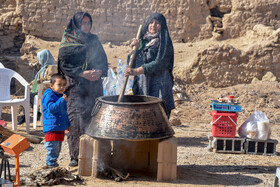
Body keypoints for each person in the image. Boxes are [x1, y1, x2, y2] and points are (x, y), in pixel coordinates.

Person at [58, 12, 108, 167]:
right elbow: (64, 64)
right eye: (83, 23)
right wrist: (82, 73)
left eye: (88, 23)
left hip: (94, 84)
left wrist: (99, 71)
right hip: (76, 84)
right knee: (77, 119)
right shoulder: (68, 41)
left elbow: (102, 59)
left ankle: (94, 154)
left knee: (94, 116)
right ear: (76, 24)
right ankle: (76, 155)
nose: (86, 26)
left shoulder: (94, 39)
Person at [124, 13, 175, 118]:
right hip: (144, 83)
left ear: (162, 25)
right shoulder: (142, 41)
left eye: (157, 23)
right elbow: (132, 62)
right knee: (143, 113)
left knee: (158, 113)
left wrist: (137, 71)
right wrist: (135, 49)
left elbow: (159, 63)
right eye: (151, 22)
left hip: (159, 83)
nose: (153, 25)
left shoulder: (165, 42)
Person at [18, 49, 57, 124]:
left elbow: (51, 79)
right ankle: (30, 115)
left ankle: (28, 116)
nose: (39, 61)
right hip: (41, 89)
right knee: (27, 96)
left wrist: (41, 81)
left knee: (29, 96)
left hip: (46, 90)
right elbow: (39, 79)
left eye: (40, 59)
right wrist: (32, 83)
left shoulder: (52, 67)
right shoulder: (44, 68)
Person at [42, 73, 70, 167]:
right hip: (52, 128)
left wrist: (67, 124)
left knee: (57, 149)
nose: (62, 87)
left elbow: (64, 113)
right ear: (52, 85)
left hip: (59, 128)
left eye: (64, 84)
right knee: (52, 149)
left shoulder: (60, 96)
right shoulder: (49, 95)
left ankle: (53, 164)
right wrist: (62, 100)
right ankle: (50, 165)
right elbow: (52, 109)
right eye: (59, 84)